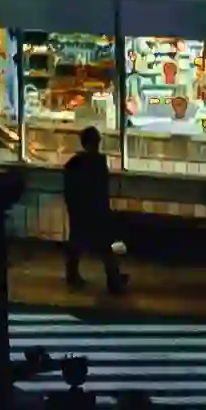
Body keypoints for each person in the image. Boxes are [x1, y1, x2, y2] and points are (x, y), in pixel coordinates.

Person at [64, 125, 129, 294]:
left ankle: (72, 275)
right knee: (105, 247)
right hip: (96, 211)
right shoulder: (98, 162)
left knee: (76, 245)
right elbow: (101, 190)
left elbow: (69, 189)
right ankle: (114, 281)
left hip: (79, 211)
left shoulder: (74, 163)